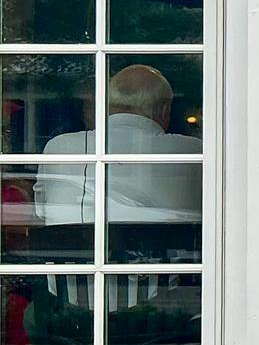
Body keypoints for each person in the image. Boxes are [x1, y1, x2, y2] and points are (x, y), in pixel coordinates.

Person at [35, 63, 200, 226]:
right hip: (168, 250)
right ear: (165, 109)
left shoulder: (58, 147)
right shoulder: (193, 151)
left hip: (71, 251)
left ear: (105, 104)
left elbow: (41, 211)